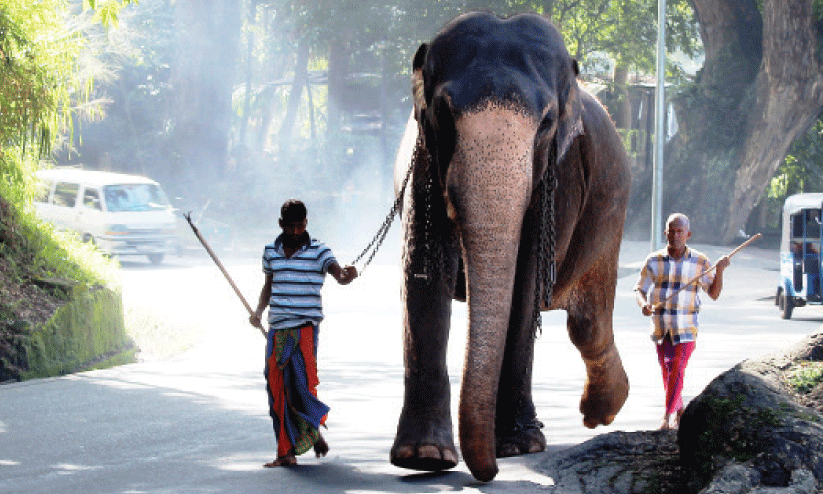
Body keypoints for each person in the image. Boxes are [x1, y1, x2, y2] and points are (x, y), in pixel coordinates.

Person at [249, 199, 357, 467]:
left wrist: (347, 275)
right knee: (276, 390)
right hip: (278, 330)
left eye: (300, 226)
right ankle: (285, 452)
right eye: (291, 227)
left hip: (305, 332)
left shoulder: (320, 251)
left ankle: (313, 432)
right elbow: (268, 286)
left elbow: (339, 275)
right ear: (281, 224)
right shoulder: (270, 252)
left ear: (306, 223)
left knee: (302, 389)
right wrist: (258, 312)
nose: (296, 232)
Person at [634, 213, 730, 430]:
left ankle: (666, 418)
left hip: (686, 329)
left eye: (680, 231)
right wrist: (643, 305)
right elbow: (640, 288)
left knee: (676, 367)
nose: (675, 235)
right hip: (661, 329)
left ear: (688, 234)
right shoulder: (653, 260)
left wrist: (720, 271)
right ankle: (680, 411)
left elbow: (713, 294)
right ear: (665, 233)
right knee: (668, 372)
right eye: (672, 231)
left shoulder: (700, 262)